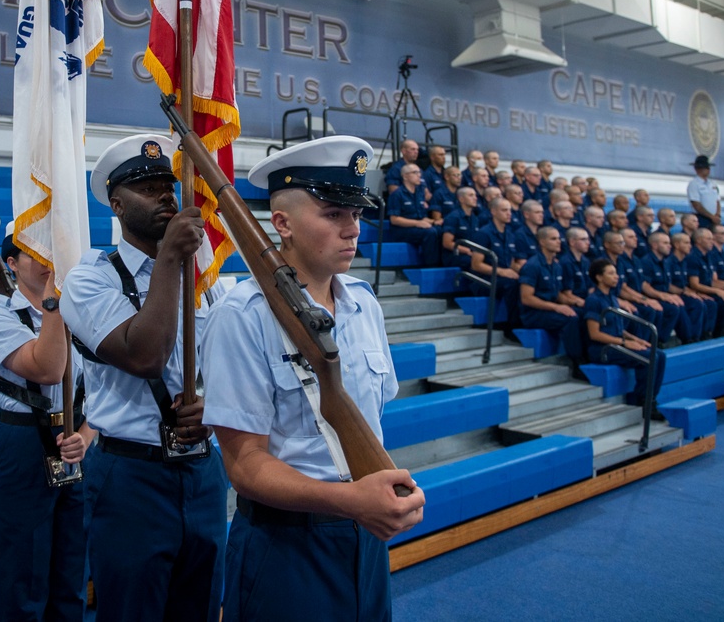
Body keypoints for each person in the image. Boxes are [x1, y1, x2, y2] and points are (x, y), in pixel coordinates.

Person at [199, 136, 426, 620]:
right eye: (332, 214)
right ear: (281, 223)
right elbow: (243, 465)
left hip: (364, 537)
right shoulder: (242, 316)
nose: (352, 230)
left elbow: (369, 420)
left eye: (356, 215)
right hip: (285, 544)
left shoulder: (364, 302)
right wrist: (350, 500)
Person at [60, 134, 228, 621]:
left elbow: (226, 365)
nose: (165, 196)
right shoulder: (90, 278)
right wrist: (171, 258)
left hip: (201, 471)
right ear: (116, 203)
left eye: (167, 185)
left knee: (199, 606)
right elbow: (144, 355)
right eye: (146, 187)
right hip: (131, 478)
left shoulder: (204, 278)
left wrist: (212, 408)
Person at [0, 224, 92, 622]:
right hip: (22, 444)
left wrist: (86, 436)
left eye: (52, 254)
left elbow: (100, 386)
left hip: (74, 442)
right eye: (35, 255)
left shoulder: (79, 311)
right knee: (21, 578)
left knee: (71, 574)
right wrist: (53, 306)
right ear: (10, 263)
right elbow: (46, 368)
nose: (48, 263)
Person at [584, 259, 666, 412]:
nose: (616, 277)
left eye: (616, 273)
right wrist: (623, 343)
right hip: (603, 349)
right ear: (599, 277)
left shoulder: (613, 298)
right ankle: (641, 400)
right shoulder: (593, 300)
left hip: (616, 343)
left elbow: (617, 328)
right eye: (611, 273)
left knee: (660, 354)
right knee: (648, 358)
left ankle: (651, 398)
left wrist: (635, 339)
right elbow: (594, 334)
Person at [519, 227, 584, 369]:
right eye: (553, 239)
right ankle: (576, 361)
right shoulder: (532, 265)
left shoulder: (556, 265)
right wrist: (557, 307)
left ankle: (587, 355)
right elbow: (526, 298)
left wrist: (573, 301)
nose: (558, 242)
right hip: (533, 313)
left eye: (559, 239)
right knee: (570, 319)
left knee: (584, 314)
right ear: (542, 242)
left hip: (550, 309)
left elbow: (557, 293)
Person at [638, 231, 703, 345]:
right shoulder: (646, 261)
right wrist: (663, 296)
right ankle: (662, 341)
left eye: (669, 243)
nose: (669, 246)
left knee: (696, 302)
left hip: (665, 294)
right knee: (674, 307)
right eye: (665, 243)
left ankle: (695, 337)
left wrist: (683, 292)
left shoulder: (664, 262)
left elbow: (668, 285)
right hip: (652, 296)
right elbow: (645, 286)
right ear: (654, 245)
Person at [471, 197, 522, 335]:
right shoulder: (484, 233)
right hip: (484, 279)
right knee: (512, 285)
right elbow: (476, 265)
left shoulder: (510, 234)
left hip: (503, 277)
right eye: (504, 210)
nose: (509, 213)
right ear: (493, 211)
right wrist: (502, 272)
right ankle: (512, 327)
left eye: (510, 210)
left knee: (526, 282)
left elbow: (510, 262)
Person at [687, 228, 724, 338]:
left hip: (707, 288)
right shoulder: (693, 257)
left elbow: (713, 281)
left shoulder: (708, 256)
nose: (712, 241)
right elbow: (694, 284)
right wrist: (718, 291)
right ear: (699, 240)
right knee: (719, 302)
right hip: (696, 291)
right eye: (709, 239)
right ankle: (709, 333)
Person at [387, 163, 441, 266]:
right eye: (415, 172)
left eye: (419, 172)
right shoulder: (397, 194)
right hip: (402, 230)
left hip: (417, 226)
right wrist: (418, 223)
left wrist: (433, 221)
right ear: (405, 176)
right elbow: (394, 219)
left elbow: (420, 215)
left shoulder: (419, 193)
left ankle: (443, 263)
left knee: (440, 229)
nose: (419, 175)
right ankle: (430, 265)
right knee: (430, 233)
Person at [667, 233, 718, 340]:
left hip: (682, 293)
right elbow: (667, 285)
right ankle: (690, 338)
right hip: (670, 295)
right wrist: (684, 292)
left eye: (690, 243)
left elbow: (685, 285)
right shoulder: (668, 262)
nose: (690, 246)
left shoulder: (684, 262)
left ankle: (704, 334)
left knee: (708, 302)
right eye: (686, 243)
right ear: (676, 245)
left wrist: (696, 293)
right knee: (696, 304)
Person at [441, 186, 482, 269]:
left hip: (471, 253)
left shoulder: (475, 218)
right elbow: (447, 243)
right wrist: (467, 251)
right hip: (455, 255)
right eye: (471, 195)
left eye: (475, 195)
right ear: (461, 199)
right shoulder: (453, 217)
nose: (475, 198)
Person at [687, 154, 721, 230]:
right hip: (701, 218)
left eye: (708, 167)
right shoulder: (694, 184)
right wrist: (712, 217)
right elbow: (696, 204)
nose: (708, 169)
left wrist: (717, 215)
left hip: (714, 218)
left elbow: (717, 201)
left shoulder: (713, 183)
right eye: (705, 167)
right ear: (698, 169)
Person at [513, 200, 544, 264]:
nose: (541, 215)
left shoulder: (543, 233)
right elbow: (521, 262)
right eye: (537, 212)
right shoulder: (520, 235)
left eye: (542, 212)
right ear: (526, 214)